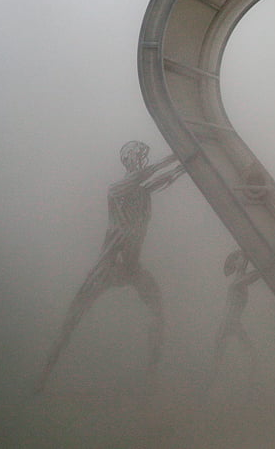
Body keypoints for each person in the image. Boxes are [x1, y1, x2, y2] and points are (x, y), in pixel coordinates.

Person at [34, 141, 185, 394]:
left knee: (158, 314)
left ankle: (151, 380)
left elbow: (162, 178)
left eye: (143, 157)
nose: (143, 161)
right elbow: (151, 173)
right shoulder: (117, 188)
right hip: (107, 267)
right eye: (139, 157)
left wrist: (186, 166)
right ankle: (43, 378)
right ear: (129, 161)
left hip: (132, 268)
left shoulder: (142, 192)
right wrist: (182, 152)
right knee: (71, 321)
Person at [209, 250, 261, 388]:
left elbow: (252, 276)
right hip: (229, 323)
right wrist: (264, 267)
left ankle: (248, 385)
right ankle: (211, 387)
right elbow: (254, 275)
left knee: (250, 356)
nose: (242, 261)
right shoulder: (237, 283)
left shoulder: (238, 281)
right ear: (236, 263)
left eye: (243, 259)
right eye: (239, 259)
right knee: (219, 361)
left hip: (232, 323)